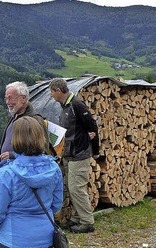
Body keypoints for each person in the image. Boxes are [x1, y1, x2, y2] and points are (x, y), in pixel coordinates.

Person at [0, 116, 64, 248]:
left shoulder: (6, 174)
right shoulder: (54, 169)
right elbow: (56, 204)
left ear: (15, 139)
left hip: (11, 239)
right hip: (45, 238)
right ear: (41, 137)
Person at [48, 78, 98, 233]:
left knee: (77, 188)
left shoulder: (76, 104)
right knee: (71, 187)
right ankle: (76, 219)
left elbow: (93, 127)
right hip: (69, 154)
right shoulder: (65, 106)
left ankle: (87, 222)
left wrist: (95, 151)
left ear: (58, 90)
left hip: (79, 154)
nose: (51, 96)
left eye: (52, 92)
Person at [0, 81, 52, 161]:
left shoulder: (35, 120)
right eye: (6, 98)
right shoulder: (16, 115)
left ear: (23, 98)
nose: (7, 102)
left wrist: (14, 155)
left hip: (23, 171)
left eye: (11, 98)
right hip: (10, 169)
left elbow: (42, 150)